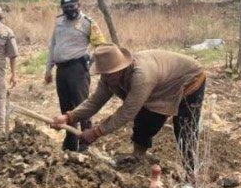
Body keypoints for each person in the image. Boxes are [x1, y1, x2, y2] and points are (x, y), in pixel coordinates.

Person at [52, 45, 206, 178]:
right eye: (104, 74)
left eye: (111, 74)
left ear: (122, 67)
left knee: (184, 129)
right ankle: (138, 157)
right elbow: (95, 102)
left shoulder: (142, 76)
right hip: (160, 86)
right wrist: (68, 117)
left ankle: (192, 174)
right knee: (143, 122)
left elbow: (127, 112)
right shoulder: (108, 78)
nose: (107, 78)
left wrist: (96, 132)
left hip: (188, 80)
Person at [44, 0, 107, 152]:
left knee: (82, 105)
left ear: (79, 5)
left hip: (78, 69)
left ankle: (86, 141)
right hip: (61, 70)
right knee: (65, 107)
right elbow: (53, 45)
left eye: (72, 6)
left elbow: (101, 45)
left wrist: (89, 62)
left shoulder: (88, 23)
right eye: (66, 8)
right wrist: (48, 69)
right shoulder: (59, 22)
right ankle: (71, 140)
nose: (69, 10)